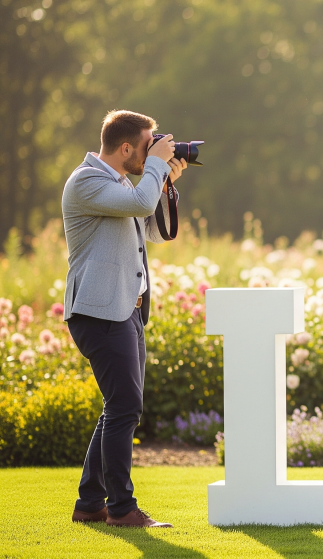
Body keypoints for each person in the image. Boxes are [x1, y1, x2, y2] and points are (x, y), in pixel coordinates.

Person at [62, 110, 187, 528]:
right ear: (128, 147)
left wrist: (163, 180)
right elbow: (138, 201)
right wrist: (153, 171)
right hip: (99, 312)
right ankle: (121, 508)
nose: (154, 152)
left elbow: (151, 230)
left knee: (118, 408)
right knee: (125, 407)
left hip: (126, 311)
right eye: (149, 146)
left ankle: (90, 504)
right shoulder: (86, 181)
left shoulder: (118, 184)